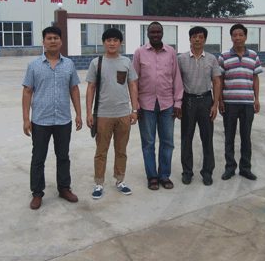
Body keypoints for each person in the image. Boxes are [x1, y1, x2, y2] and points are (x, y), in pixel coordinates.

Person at [22, 26, 82, 210]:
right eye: (49, 38)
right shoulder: (33, 65)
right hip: (41, 120)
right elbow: (27, 91)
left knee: (63, 156)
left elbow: (74, 89)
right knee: (38, 157)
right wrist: (26, 119)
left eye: (56, 38)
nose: (53, 41)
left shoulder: (69, 64)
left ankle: (64, 188)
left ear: (61, 41)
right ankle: (37, 193)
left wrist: (79, 114)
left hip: (63, 119)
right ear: (43, 42)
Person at [86, 28, 139, 199]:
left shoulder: (126, 62)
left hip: (123, 114)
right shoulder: (96, 63)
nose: (112, 43)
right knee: (101, 151)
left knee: (121, 150)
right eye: (108, 40)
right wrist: (89, 113)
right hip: (103, 114)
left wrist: (134, 110)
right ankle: (99, 183)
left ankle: (120, 180)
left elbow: (132, 86)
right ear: (103, 43)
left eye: (116, 40)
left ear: (120, 43)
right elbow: (91, 88)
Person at [133, 22, 183, 190]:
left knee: (167, 142)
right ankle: (152, 176)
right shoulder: (139, 53)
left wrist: (178, 102)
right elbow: (134, 80)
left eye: (158, 32)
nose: (155, 34)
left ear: (162, 33)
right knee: (148, 143)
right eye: (152, 32)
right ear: (147, 34)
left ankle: (164, 175)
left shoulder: (171, 52)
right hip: (145, 105)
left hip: (167, 104)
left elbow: (176, 77)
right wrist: (136, 105)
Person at [178, 26, 222, 186]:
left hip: (206, 100)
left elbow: (216, 82)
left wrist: (215, 104)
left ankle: (207, 172)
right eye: (194, 37)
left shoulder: (211, 59)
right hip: (188, 101)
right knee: (186, 138)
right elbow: (177, 83)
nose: (197, 40)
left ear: (205, 40)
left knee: (207, 138)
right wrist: (178, 104)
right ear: (190, 39)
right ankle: (187, 172)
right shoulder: (181, 59)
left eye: (201, 37)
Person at [218, 23, 262, 181]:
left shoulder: (253, 56)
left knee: (246, 137)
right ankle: (230, 168)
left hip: (247, 103)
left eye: (240, 35)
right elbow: (219, 80)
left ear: (246, 37)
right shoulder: (224, 56)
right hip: (229, 103)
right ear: (231, 37)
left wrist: (257, 99)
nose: (237, 38)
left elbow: (255, 78)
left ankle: (245, 168)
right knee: (229, 137)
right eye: (234, 35)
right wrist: (220, 101)